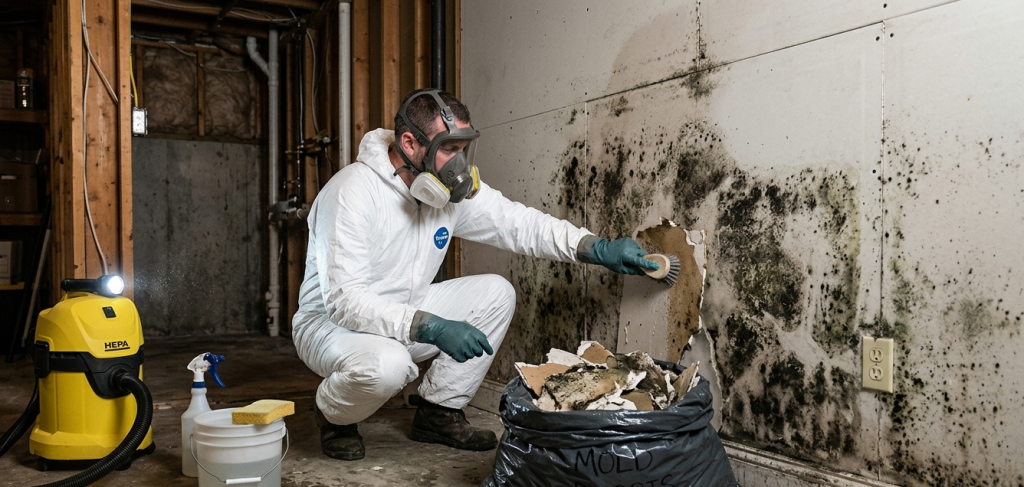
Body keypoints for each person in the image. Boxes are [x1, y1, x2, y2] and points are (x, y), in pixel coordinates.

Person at [291, 88, 660, 461]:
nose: (459, 162)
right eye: (449, 148)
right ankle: (333, 415)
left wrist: (595, 248)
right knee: (387, 366)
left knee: (496, 293)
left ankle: (438, 411)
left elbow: (519, 223)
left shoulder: (445, 194)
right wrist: (431, 327)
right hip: (332, 325)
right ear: (409, 142)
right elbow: (345, 301)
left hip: (404, 311)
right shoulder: (352, 192)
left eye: (463, 148)